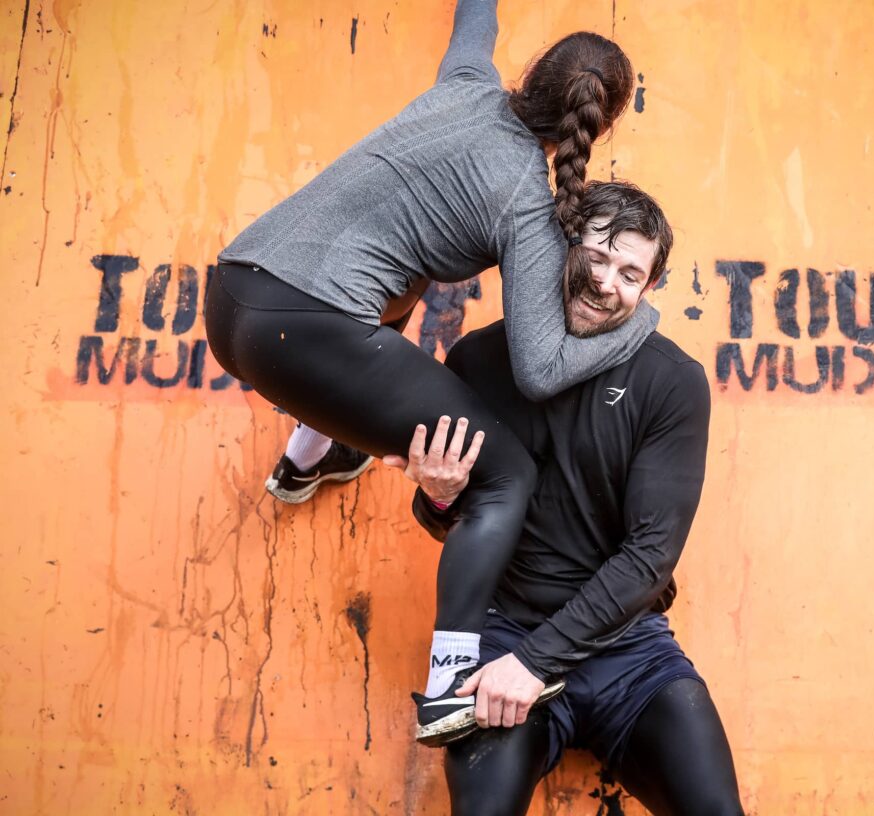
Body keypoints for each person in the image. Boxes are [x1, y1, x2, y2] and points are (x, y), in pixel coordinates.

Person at [204, 0, 654, 745]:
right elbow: (541, 369)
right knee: (503, 474)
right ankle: (451, 684)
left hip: (234, 295)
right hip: (308, 335)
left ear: (530, 72)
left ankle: (307, 459)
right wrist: (642, 320)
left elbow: (474, 18)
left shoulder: (467, 82)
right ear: (598, 130)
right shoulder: (527, 204)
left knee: (394, 287)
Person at [398, 182, 744, 815]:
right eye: (598, 255)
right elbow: (450, 519)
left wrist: (534, 664)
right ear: (563, 246)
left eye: (630, 272)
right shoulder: (478, 360)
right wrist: (438, 496)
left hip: (628, 649)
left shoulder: (671, 382)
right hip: (504, 632)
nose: (607, 281)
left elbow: (649, 557)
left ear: (649, 289)